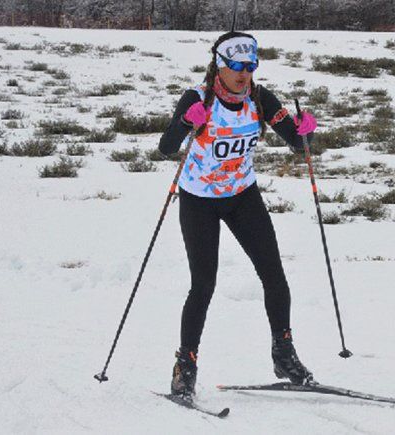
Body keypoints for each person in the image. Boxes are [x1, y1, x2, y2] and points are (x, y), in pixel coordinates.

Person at [158, 30, 318, 398]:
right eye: (237, 67)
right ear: (220, 65)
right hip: (199, 199)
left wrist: (306, 132)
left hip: (242, 195)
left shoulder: (260, 98)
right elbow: (167, 147)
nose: (245, 74)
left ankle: (284, 354)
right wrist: (185, 123)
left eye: (251, 66)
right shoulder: (198, 98)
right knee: (203, 285)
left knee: (274, 274)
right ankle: (185, 366)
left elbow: (297, 142)